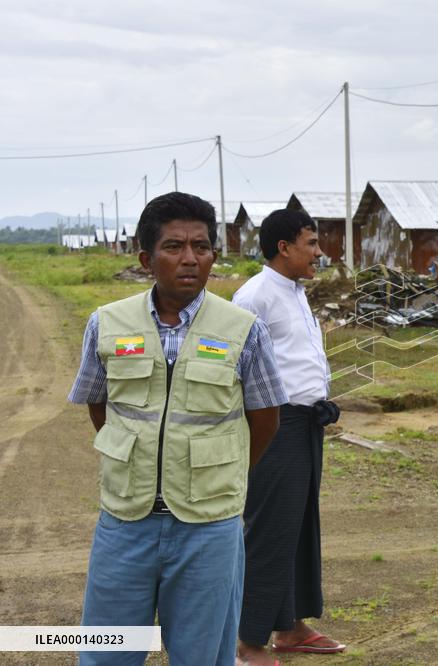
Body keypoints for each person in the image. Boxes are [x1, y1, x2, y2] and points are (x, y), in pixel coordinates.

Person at [68, 192, 287, 665]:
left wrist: (217, 473)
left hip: (208, 528)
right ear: (146, 259)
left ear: (213, 255)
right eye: (173, 246)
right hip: (126, 522)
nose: (190, 258)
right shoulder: (106, 324)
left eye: (201, 246)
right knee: (107, 653)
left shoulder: (244, 330)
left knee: (201, 656)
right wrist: (143, 456)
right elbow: (99, 405)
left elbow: (265, 420)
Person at [233, 209, 344, 662]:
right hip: (274, 426)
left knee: (298, 528)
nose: (319, 252)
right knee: (270, 530)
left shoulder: (295, 292)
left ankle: (292, 628)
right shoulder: (254, 297)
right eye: (311, 243)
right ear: (284, 247)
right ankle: (246, 643)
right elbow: (233, 368)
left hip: (305, 424)